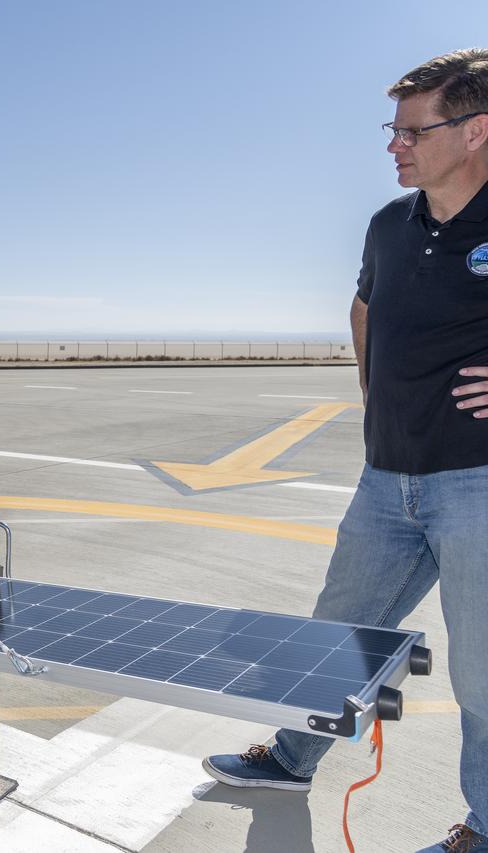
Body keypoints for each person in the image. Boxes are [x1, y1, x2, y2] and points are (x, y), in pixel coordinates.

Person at [204, 49, 488, 853]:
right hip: (386, 480)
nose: (392, 145)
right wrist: (377, 397)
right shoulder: (386, 226)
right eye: (391, 130)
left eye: (410, 130)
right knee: (339, 630)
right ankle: (294, 756)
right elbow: (363, 307)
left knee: (483, 678)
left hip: (479, 484)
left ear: (475, 132)